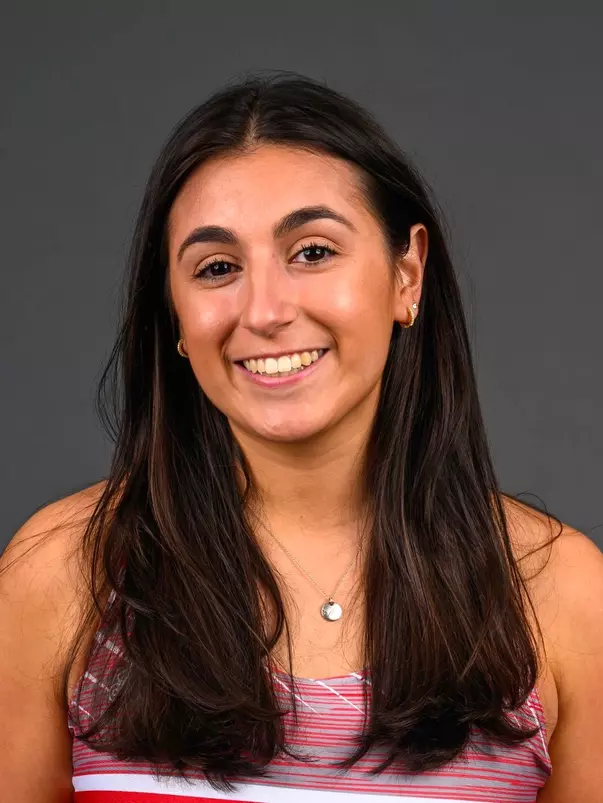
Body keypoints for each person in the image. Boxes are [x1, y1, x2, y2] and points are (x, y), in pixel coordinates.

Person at [1, 72, 601, 803]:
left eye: (312, 251)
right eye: (217, 268)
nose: (264, 310)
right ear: (176, 317)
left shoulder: (565, 596)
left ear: (406, 274)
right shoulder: (62, 574)